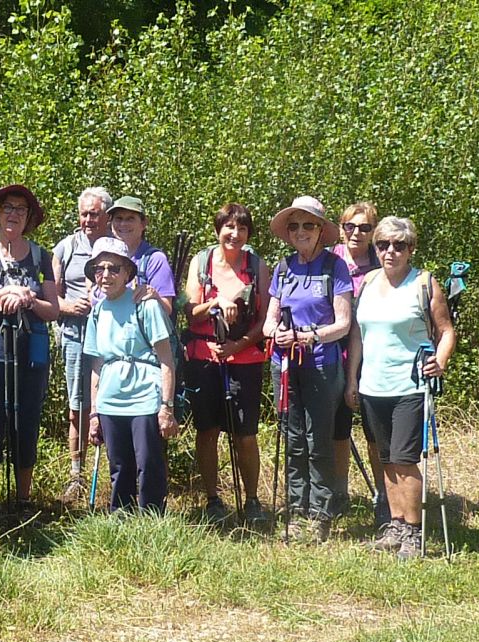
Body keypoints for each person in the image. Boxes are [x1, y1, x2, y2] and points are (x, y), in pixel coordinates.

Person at [345, 216, 456, 560]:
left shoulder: (424, 283)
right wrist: (352, 380)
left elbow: (446, 330)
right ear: (375, 248)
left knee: (405, 460)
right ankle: (395, 524)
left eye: (399, 245)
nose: (390, 251)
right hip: (372, 386)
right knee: (385, 458)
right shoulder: (367, 282)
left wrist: (441, 360)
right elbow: (358, 335)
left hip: (410, 385)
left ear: (411, 249)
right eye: (383, 244)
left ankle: (413, 531)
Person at [262, 196, 353, 543]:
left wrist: (309, 336)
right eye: (295, 225)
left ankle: (321, 512)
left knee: (318, 440)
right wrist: (279, 334)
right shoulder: (284, 268)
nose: (301, 231)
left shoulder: (335, 268)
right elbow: (269, 321)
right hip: (284, 365)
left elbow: (343, 323)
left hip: (320, 365)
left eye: (309, 225)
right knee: (292, 437)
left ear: (320, 231)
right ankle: (295, 508)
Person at [0, 184, 59, 508]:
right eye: (8, 207)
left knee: (27, 424)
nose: (13, 214)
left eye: (21, 209)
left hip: (31, 357)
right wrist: (4, 294)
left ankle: (23, 500)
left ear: (29, 217)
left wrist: (29, 298)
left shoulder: (41, 256)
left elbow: (54, 310)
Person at [182, 203, 269, 524]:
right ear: (218, 230)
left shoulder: (257, 265)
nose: (235, 234)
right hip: (204, 360)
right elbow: (189, 310)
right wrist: (216, 303)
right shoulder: (201, 262)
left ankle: (252, 500)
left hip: (245, 361)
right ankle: (212, 499)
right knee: (207, 431)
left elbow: (266, 320)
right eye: (229, 227)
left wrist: (238, 344)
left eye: (242, 228)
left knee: (245, 434)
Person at [84, 237, 178, 511]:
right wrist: (93, 413)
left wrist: (166, 407)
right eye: (99, 269)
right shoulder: (97, 311)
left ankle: (151, 519)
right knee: (119, 465)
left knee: (148, 463)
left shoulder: (145, 304)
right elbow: (97, 366)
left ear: (127, 272)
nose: (106, 275)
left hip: (145, 396)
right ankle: (120, 520)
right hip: (111, 399)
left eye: (114, 268)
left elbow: (166, 360)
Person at [53, 187, 113, 503]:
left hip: (111, 332)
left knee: (112, 402)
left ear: (106, 216)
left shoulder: (114, 246)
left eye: (94, 214)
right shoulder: (65, 248)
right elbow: (51, 294)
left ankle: (112, 474)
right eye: (84, 213)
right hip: (75, 334)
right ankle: (76, 477)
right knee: (78, 406)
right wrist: (67, 306)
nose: (88, 219)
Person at [330, 202, 387, 525]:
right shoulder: (330, 260)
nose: (357, 233)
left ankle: (383, 495)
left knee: (374, 432)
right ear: (341, 228)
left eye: (365, 228)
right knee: (337, 430)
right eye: (350, 226)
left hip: (373, 358)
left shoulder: (383, 261)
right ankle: (339, 493)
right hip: (334, 356)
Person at [108, 196, 174, 317]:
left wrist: (155, 296)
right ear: (111, 224)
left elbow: (167, 309)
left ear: (143, 224)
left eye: (130, 219)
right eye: (119, 218)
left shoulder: (155, 259)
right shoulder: (104, 260)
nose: (123, 224)